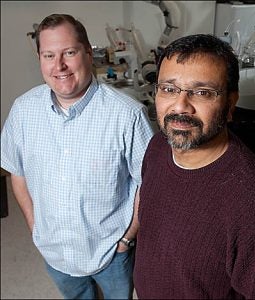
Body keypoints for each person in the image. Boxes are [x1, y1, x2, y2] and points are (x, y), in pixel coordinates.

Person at [1, 14, 154, 299]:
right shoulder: (23, 112)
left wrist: (126, 238)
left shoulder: (127, 115)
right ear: (40, 59)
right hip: (54, 252)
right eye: (49, 55)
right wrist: (36, 228)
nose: (58, 66)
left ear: (88, 53)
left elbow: (150, 183)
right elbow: (16, 171)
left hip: (112, 252)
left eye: (69, 52)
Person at [133, 34, 255, 299]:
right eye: (169, 89)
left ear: (230, 103)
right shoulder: (159, 146)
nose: (180, 106)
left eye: (202, 92)